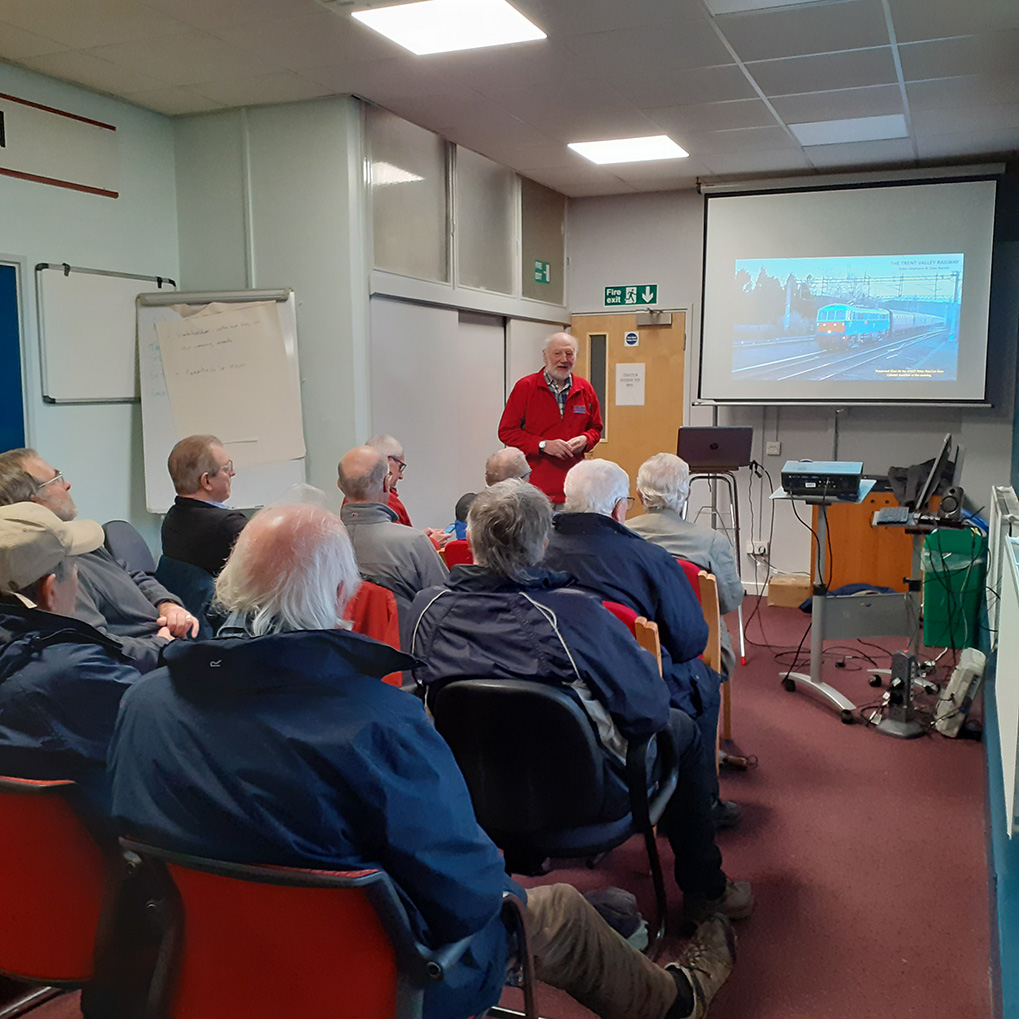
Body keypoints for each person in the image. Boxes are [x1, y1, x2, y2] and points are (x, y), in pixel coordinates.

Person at [109, 501, 736, 1019]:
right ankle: (677, 1001)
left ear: (229, 582)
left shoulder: (143, 702)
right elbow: (466, 896)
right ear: (339, 593)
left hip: (215, 963)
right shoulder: (377, 724)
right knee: (560, 911)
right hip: (389, 979)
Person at [407, 480, 752, 927]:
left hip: (472, 792)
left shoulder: (426, 610)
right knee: (681, 726)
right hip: (588, 794)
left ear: (469, 540)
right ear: (543, 543)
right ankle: (705, 888)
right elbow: (646, 710)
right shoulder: (577, 614)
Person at [541, 459, 737, 828]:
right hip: (630, 685)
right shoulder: (649, 558)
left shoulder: (537, 549)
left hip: (552, 679)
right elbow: (690, 641)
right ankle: (701, 812)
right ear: (618, 506)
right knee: (705, 684)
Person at [0, 502, 141, 814]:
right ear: (50, 591)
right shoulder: (76, 672)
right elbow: (159, 730)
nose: (77, 577)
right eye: (73, 567)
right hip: (102, 850)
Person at [0, 449, 197, 672]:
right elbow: (95, 648)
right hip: (154, 666)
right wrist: (160, 645)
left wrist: (166, 604)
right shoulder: (55, 568)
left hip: (169, 644)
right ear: (34, 504)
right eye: (57, 478)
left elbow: (130, 573)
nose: (68, 485)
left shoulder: (78, 538)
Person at [629, 454, 744, 676]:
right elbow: (730, 600)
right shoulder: (711, 542)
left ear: (640, 495)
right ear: (686, 495)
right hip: (700, 646)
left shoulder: (619, 535)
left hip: (632, 642)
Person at [337, 445, 447, 640]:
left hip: (339, 661)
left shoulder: (317, 546)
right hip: (405, 659)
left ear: (340, 485)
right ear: (387, 483)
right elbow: (446, 609)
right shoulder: (416, 544)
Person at [498, 332, 603, 504]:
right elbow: (507, 432)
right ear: (545, 356)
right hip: (534, 489)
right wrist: (543, 445)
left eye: (569, 354)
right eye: (557, 353)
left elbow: (596, 429)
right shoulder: (526, 387)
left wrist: (585, 439)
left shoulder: (585, 389)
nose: (564, 359)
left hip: (575, 488)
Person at [160, 434, 247, 576]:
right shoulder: (228, 525)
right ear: (206, 481)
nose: (232, 473)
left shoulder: (173, 516)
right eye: (225, 468)